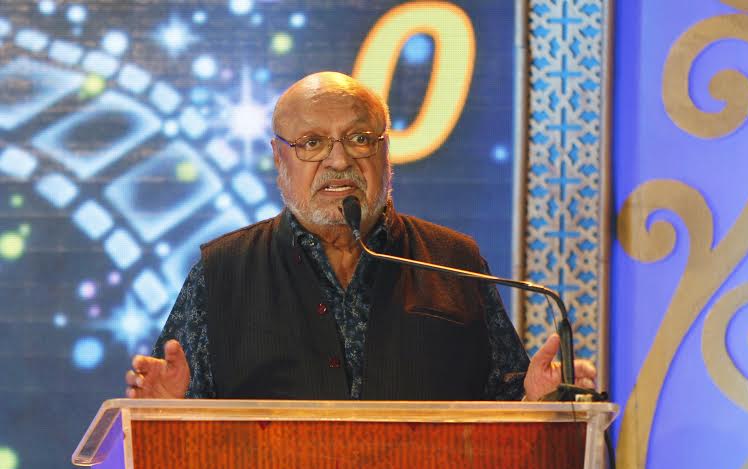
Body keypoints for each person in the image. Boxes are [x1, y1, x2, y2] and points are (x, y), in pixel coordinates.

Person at [125, 72, 596, 401]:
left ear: (386, 150)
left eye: (359, 139)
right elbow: (179, 417)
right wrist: (165, 411)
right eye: (312, 143)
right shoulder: (223, 271)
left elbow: (503, 404)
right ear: (278, 157)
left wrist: (536, 400)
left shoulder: (454, 261)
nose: (338, 160)